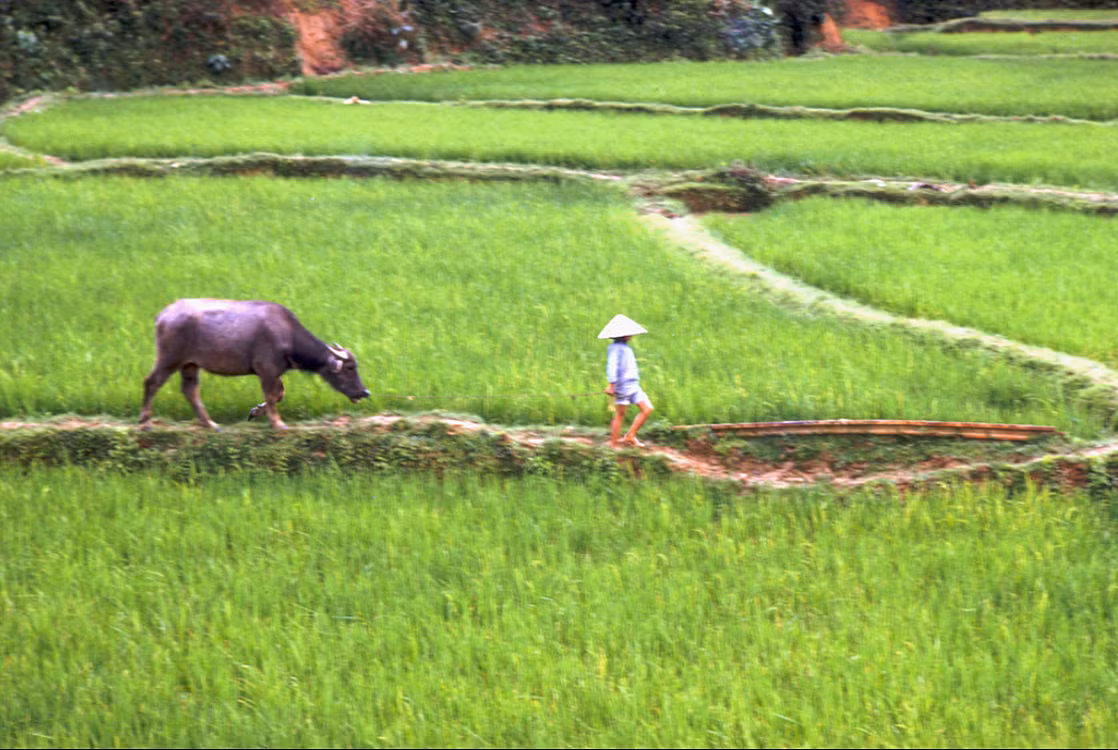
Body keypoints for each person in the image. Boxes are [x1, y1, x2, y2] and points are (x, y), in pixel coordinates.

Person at [598, 314, 654, 448]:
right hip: (623, 386)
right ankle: (613, 444)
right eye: (629, 333)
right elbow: (612, 367)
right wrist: (611, 385)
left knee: (647, 409)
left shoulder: (626, 348)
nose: (631, 336)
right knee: (620, 414)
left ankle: (630, 435)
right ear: (623, 335)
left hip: (634, 384)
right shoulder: (615, 349)